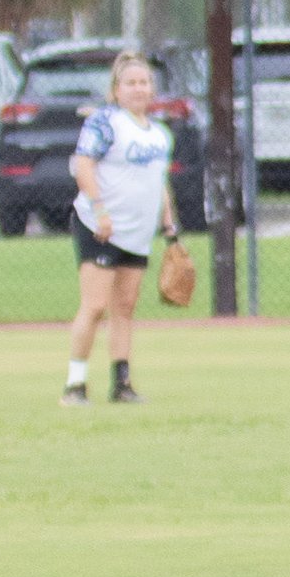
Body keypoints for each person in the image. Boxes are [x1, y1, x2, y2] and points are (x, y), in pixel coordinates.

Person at [63, 51, 182, 407]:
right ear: (116, 89)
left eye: (144, 82)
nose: (138, 88)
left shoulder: (159, 134)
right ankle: (75, 385)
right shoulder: (105, 123)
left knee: (125, 306)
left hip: (137, 232)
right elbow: (83, 165)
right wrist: (100, 210)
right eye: (130, 83)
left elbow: (156, 182)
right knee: (95, 305)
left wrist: (169, 227)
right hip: (98, 226)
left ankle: (122, 383)